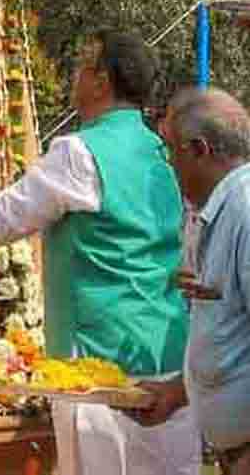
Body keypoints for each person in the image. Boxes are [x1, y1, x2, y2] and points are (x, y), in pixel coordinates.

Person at [0, 28, 200, 474]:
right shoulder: (159, 150)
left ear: (101, 82)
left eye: (82, 66)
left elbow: (3, 222)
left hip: (99, 369)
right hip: (166, 358)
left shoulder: (80, 151)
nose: (73, 75)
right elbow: (98, 219)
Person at [137, 87, 250, 471]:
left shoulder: (246, 212)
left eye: (172, 152)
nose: (169, 166)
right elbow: (232, 339)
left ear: (199, 150)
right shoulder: (220, 211)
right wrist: (177, 392)